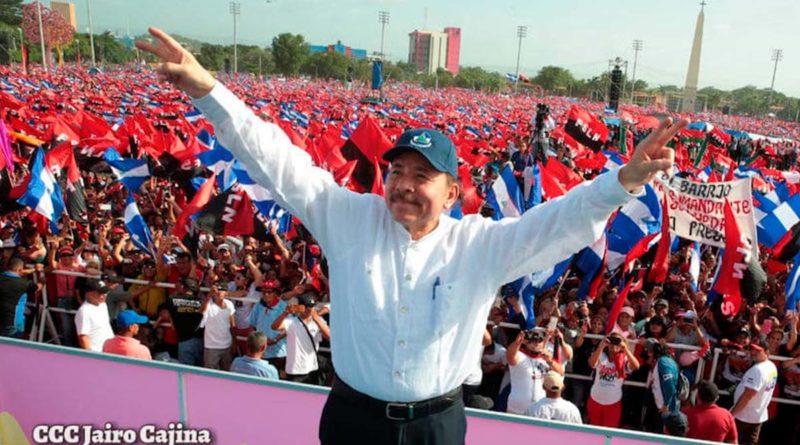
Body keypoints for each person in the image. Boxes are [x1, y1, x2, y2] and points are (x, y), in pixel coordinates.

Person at [137, 27, 686, 445]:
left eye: (422, 176)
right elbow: (277, 159)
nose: (402, 185)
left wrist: (625, 180)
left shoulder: (480, 244)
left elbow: (560, 222)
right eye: (396, 171)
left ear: (453, 193)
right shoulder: (346, 217)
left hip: (436, 427)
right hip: (353, 419)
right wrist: (209, 91)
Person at [271, 293, 331, 384]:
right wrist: (285, 313)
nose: (308, 309)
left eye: (311, 306)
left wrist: (316, 318)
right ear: (299, 306)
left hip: (313, 368)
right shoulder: (291, 321)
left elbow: (329, 336)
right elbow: (274, 327)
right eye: (305, 306)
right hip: (295, 369)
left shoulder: (319, 321)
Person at [587, 332, 640, 428]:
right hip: (595, 401)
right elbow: (591, 363)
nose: (614, 345)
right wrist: (601, 346)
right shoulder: (601, 355)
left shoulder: (624, 359)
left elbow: (636, 366)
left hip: (612, 404)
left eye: (617, 342)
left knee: (608, 433)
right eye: (612, 341)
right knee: (593, 431)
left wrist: (626, 350)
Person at [506, 328, 564, 414]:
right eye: (533, 340)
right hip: (516, 409)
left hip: (539, 410)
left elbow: (560, 372)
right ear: (526, 342)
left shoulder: (546, 358)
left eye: (539, 340)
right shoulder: (519, 355)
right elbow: (510, 356)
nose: (536, 343)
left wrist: (550, 361)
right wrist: (517, 343)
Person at [730, 343, 778, 445]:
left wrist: (732, 415)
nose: (753, 352)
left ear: (767, 352)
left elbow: (748, 395)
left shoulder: (757, 370)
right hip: (758, 416)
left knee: (730, 441)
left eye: (758, 350)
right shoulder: (771, 366)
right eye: (752, 349)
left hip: (743, 416)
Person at [644, 338, 687, 437]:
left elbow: (670, 387)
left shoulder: (663, 362)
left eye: (648, 351)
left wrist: (666, 405)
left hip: (667, 410)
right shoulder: (666, 360)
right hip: (666, 408)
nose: (647, 353)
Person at [166, 277, 205, 366]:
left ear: (183, 287)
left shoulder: (172, 300)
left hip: (184, 341)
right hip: (200, 341)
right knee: (200, 370)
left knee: (186, 373)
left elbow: (168, 313)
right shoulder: (202, 302)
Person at [0, 258, 38, 338]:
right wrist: (42, 280)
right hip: (13, 325)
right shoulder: (24, 284)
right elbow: (37, 288)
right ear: (20, 269)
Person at [200, 286, 236, 370]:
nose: (219, 293)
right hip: (211, 347)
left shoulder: (230, 304)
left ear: (226, 293)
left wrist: (234, 342)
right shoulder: (208, 304)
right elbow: (200, 311)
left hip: (227, 346)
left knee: (227, 373)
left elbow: (232, 325)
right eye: (217, 291)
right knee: (210, 375)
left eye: (222, 290)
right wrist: (208, 296)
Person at [74, 279, 115, 352]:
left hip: (109, 350)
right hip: (98, 352)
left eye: (105, 292)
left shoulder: (103, 305)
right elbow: (83, 337)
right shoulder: (84, 312)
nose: (104, 295)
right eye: (100, 293)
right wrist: (91, 356)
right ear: (89, 293)